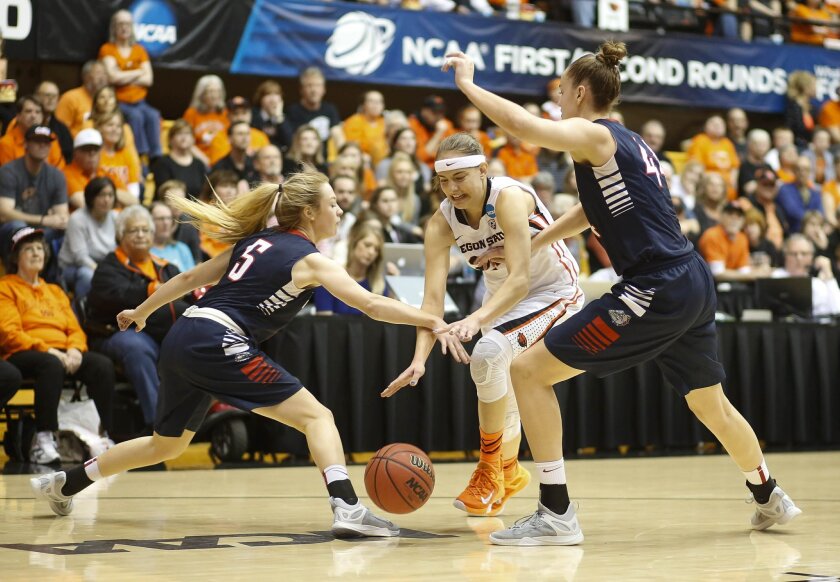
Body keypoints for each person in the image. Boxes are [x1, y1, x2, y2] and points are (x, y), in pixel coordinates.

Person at [440, 41, 801, 545]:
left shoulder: (595, 134)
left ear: (581, 92)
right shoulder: (627, 143)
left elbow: (523, 129)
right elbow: (593, 212)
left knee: (526, 370)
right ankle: (769, 495)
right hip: (690, 279)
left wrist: (468, 85)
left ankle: (556, 512)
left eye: (562, 92)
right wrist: (538, 240)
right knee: (709, 403)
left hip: (654, 285)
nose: (558, 102)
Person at [30, 170, 463, 540]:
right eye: (333, 203)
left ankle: (66, 483)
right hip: (218, 339)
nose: (341, 211)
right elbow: (370, 304)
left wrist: (142, 313)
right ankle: (347, 507)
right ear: (309, 212)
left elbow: (189, 278)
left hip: (185, 335)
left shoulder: (257, 242)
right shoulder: (310, 259)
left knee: (167, 445)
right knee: (318, 417)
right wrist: (430, 318)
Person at [384, 131, 583, 518]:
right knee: (493, 371)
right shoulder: (441, 223)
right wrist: (419, 358)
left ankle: (492, 469)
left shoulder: (509, 197)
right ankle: (507, 472)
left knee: (489, 353)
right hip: (504, 304)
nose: (451, 189)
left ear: (482, 170)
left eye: (459, 178)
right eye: (443, 181)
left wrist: (475, 321)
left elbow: (521, 278)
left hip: (553, 291)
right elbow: (432, 302)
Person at [0, 226, 114, 464]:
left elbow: (74, 328)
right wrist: (49, 350)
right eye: (28, 249)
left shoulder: (55, 290)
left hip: (62, 353)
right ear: (15, 257)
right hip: (23, 353)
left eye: (39, 248)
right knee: (51, 364)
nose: (36, 253)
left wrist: (74, 349)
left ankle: (102, 436)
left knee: (101, 365)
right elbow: (10, 333)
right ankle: (44, 439)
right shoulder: (6, 287)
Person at [86, 205, 189, 430]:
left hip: (162, 331)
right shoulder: (108, 266)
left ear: (153, 235)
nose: (141, 235)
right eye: (134, 231)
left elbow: (185, 298)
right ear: (120, 235)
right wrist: (151, 289)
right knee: (137, 348)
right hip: (116, 332)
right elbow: (117, 297)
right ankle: (157, 423)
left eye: (145, 230)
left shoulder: (166, 267)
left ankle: (198, 416)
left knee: (195, 340)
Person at [0, 125, 68, 268]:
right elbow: (4, 214)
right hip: (10, 232)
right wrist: (44, 219)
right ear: (26, 144)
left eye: (46, 142)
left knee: (66, 230)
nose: (42, 146)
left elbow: (62, 217)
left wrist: (56, 221)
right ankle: (15, 274)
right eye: (37, 141)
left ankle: (56, 281)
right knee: (19, 226)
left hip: (43, 232)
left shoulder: (56, 175)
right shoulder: (8, 171)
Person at [99, 10, 162, 160]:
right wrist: (138, 72)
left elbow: (149, 79)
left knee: (153, 115)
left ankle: (155, 157)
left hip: (141, 102)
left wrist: (123, 74)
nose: (124, 27)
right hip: (120, 102)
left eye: (127, 23)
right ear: (114, 27)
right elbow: (113, 77)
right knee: (136, 117)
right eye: (120, 24)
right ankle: (139, 156)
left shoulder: (140, 50)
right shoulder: (107, 49)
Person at [58, 177, 117, 299]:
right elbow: (80, 257)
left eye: (110, 195)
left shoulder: (116, 217)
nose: (106, 200)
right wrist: (103, 272)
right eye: (101, 195)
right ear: (91, 197)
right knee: (88, 275)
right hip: (74, 267)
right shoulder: (77, 219)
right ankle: (82, 311)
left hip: (104, 266)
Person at [314, 222, 387, 315]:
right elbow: (323, 322)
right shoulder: (330, 277)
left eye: (376, 249)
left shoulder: (379, 285)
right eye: (367, 245)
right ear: (354, 243)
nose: (371, 252)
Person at [63, 128, 127, 211]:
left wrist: (104, 194)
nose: (92, 153)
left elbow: (132, 201)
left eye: (96, 149)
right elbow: (83, 203)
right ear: (75, 153)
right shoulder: (66, 174)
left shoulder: (106, 172)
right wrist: (114, 198)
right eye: (87, 149)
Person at [150, 119, 208, 200]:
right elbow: (164, 193)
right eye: (179, 133)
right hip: (169, 205)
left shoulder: (199, 164)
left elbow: (203, 192)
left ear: (193, 139)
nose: (184, 137)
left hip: (194, 207)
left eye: (187, 133)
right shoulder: (162, 163)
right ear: (171, 139)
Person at [55, 60, 108, 138]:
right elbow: (60, 129)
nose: (102, 77)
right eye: (98, 73)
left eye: (105, 73)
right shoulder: (70, 97)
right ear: (86, 77)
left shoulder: (108, 100)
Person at [150, 201, 195, 273]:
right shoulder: (145, 252)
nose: (166, 223)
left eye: (168, 218)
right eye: (160, 219)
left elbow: (194, 278)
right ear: (150, 222)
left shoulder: (181, 248)